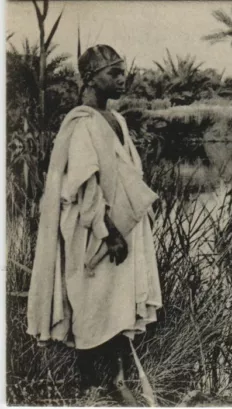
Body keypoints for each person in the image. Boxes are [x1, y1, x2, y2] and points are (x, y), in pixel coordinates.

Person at [26, 44, 162, 404]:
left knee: (118, 302)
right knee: (88, 301)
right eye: (113, 73)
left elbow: (125, 175)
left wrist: (128, 222)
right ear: (90, 78)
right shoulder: (81, 122)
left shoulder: (116, 121)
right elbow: (84, 185)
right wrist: (108, 232)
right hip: (92, 232)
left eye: (122, 71)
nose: (123, 79)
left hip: (121, 227)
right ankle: (88, 384)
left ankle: (118, 380)